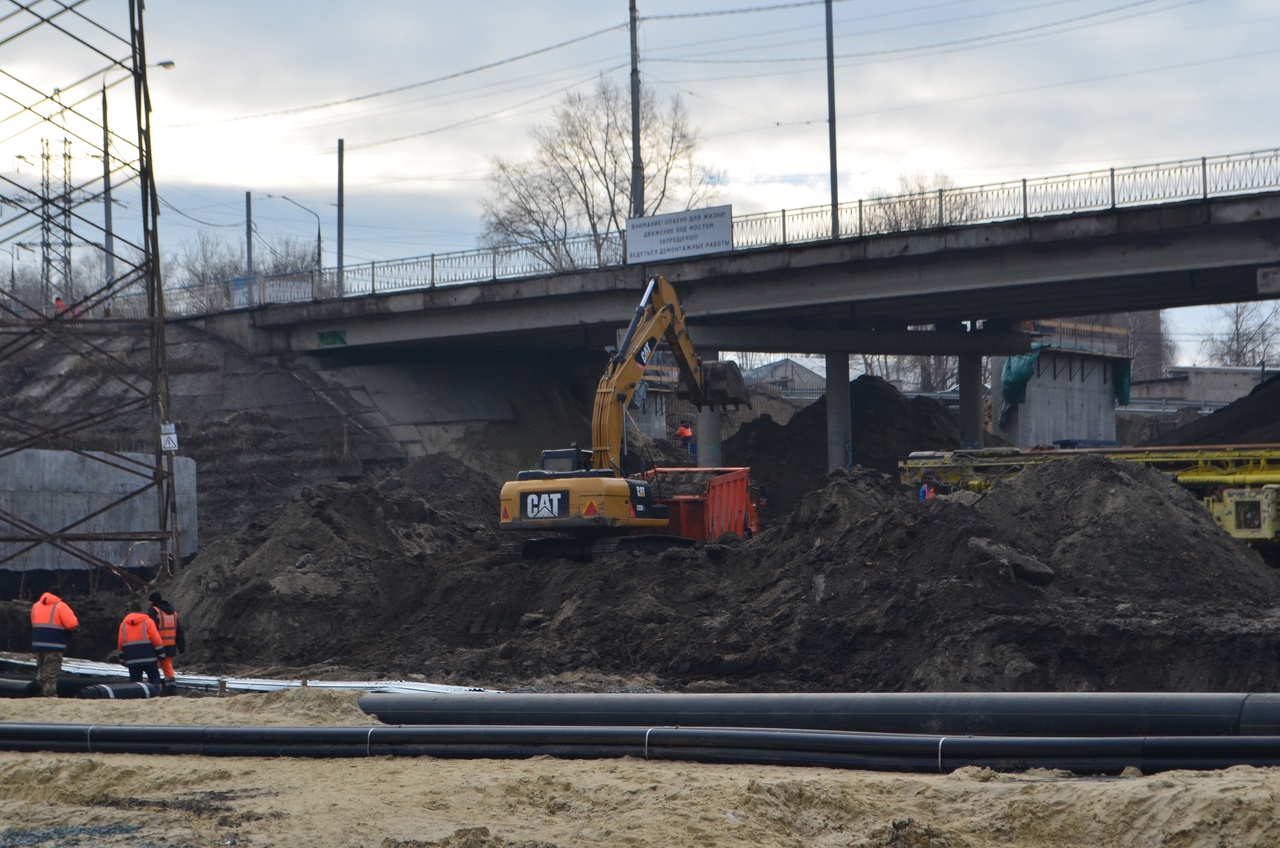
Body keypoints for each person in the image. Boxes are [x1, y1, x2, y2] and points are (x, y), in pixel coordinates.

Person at [30, 592, 79, 697]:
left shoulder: (36, 606)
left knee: (41, 671)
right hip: (54, 644)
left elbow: (33, 622)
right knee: (51, 673)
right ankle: (49, 696)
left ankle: (38, 694)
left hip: (38, 643)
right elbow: (72, 624)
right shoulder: (60, 606)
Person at [117, 599, 164, 686]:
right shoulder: (148, 621)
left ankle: (138, 697)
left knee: (135, 684)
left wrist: (122, 659)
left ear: (130, 611)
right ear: (141, 610)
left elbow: (120, 644)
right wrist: (161, 654)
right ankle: (155, 695)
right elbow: (156, 639)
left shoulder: (123, 624)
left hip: (132, 659)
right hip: (148, 657)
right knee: (154, 678)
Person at [147, 590, 185, 692]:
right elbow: (179, 631)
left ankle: (154, 688)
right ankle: (171, 689)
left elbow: (151, 629)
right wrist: (181, 647)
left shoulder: (154, 611)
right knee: (168, 667)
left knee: (153, 667)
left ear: (153, 601)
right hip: (170, 645)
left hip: (157, 645)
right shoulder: (173, 612)